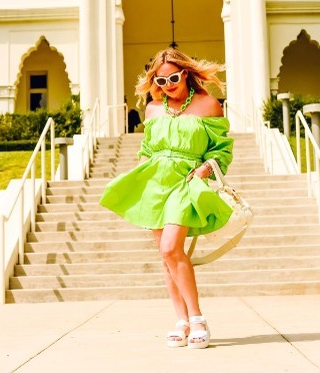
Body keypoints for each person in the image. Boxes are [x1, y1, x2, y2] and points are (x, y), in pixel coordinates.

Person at [99, 48, 234, 349]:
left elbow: (221, 150)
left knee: (172, 247)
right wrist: (143, 176)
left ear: (185, 73)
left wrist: (205, 169)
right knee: (165, 255)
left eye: (173, 77)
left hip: (186, 181)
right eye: (160, 81)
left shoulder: (207, 105)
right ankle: (181, 320)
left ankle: (198, 318)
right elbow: (147, 149)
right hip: (156, 182)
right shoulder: (152, 109)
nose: (168, 85)